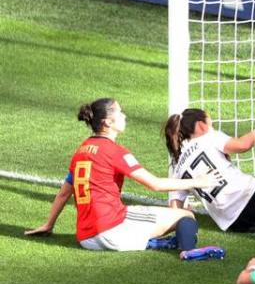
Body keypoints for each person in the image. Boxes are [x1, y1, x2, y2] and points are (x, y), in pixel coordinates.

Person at [25, 98, 224, 261]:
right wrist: (199, 181)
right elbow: (155, 184)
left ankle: (153, 243)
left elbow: (64, 193)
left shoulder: (81, 150)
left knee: (133, 211)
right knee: (184, 217)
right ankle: (187, 251)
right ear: (108, 122)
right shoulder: (114, 151)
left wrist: (49, 224)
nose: (124, 116)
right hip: (111, 232)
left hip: (86, 238)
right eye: (120, 113)